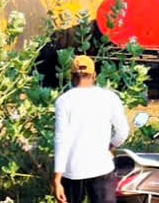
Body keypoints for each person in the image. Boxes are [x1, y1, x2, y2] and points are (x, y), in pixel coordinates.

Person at [53, 55, 130, 203]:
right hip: (101, 167)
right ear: (94, 75)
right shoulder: (110, 97)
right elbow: (122, 132)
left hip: (72, 171)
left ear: (71, 76)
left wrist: (57, 178)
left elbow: (61, 140)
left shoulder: (63, 101)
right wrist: (111, 146)